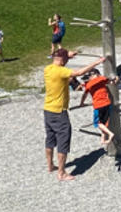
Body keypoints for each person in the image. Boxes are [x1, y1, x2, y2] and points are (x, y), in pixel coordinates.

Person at [42, 48, 101, 182]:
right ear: (63, 60)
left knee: (50, 138)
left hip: (47, 110)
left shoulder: (48, 69)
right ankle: (62, 173)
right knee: (63, 140)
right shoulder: (62, 71)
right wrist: (97, 62)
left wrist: (67, 56)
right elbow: (79, 72)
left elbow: (59, 61)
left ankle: (51, 166)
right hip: (59, 111)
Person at [79, 69, 116, 146]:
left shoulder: (89, 84)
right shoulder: (102, 79)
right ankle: (103, 138)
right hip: (107, 104)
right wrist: (116, 79)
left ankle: (110, 133)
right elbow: (111, 81)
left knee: (97, 123)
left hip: (98, 106)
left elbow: (84, 95)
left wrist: (82, 103)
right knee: (104, 122)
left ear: (93, 75)